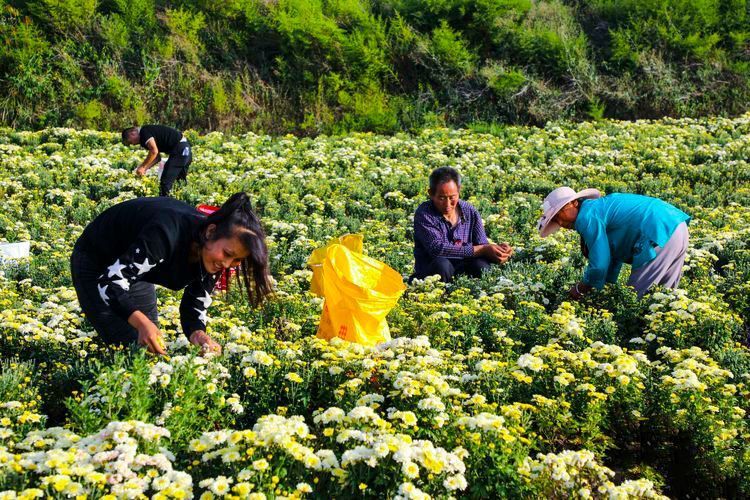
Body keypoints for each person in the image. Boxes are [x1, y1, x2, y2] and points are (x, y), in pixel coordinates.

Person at [70, 192, 272, 355]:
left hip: (133, 269)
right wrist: (141, 323)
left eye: (237, 260)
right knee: (131, 346)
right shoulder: (166, 233)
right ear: (210, 232)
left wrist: (198, 334)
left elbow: (195, 304)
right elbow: (110, 282)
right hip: (97, 261)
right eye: (227, 254)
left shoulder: (214, 254)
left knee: (151, 345)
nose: (228, 264)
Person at [536, 187, 690, 299]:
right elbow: (612, 258)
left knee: (634, 300)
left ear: (574, 203)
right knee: (665, 297)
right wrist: (605, 288)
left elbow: (600, 263)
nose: (560, 222)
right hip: (676, 226)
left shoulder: (586, 216)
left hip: (656, 232)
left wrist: (581, 288)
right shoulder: (598, 208)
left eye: (559, 214)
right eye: (555, 220)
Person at [412, 167, 513, 282]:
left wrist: (499, 251)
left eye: (452, 197)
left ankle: (474, 293)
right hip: (432, 270)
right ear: (431, 194)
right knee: (442, 265)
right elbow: (437, 249)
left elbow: (481, 244)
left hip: (463, 266)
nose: (447, 204)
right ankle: (441, 295)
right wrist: (482, 249)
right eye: (441, 198)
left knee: (482, 266)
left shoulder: (469, 211)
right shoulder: (424, 213)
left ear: (459, 191)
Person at [122, 125, 193, 197]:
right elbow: (157, 158)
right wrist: (145, 169)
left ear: (132, 133)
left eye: (130, 141)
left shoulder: (144, 132)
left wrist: (142, 166)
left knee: (166, 183)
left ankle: (165, 204)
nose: (133, 144)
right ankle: (182, 202)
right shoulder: (145, 137)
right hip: (185, 148)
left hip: (180, 149)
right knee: (179, 182)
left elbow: (154, 151)